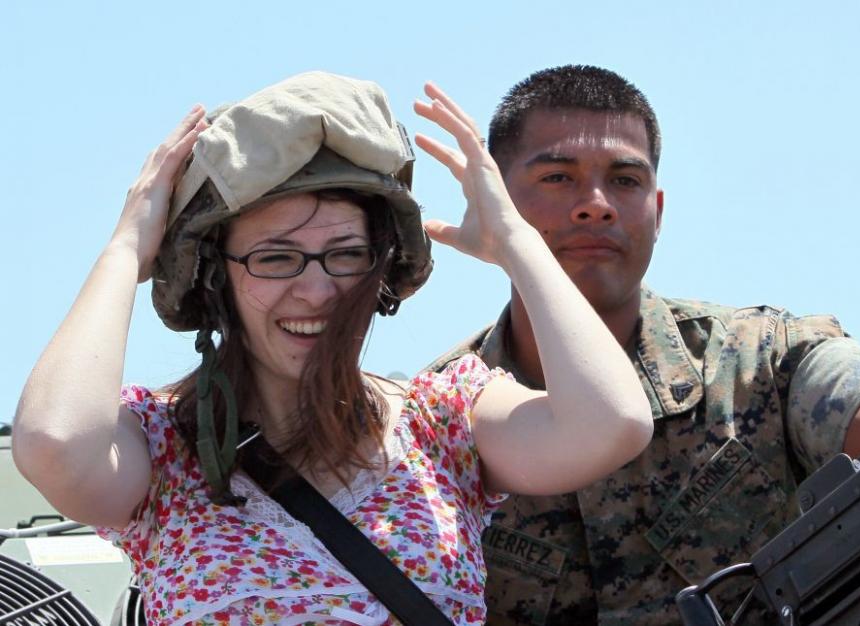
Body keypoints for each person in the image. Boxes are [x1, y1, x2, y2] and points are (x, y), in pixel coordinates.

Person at [11, 71, 654, 625]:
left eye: (346, 256)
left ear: (381, 271)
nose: (317, 289)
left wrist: (516, 242)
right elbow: (56, 446)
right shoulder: (163, 448)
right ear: (216, 278)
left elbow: (610, 424)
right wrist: (127, 248)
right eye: (275, 258)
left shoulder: (442, 421)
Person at [427, 65, 860, 625]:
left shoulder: (762, 360)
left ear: (657, 213)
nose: (597, 204)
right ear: (494, 204)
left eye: (625, 180)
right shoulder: (435, 423)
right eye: (558, 178)